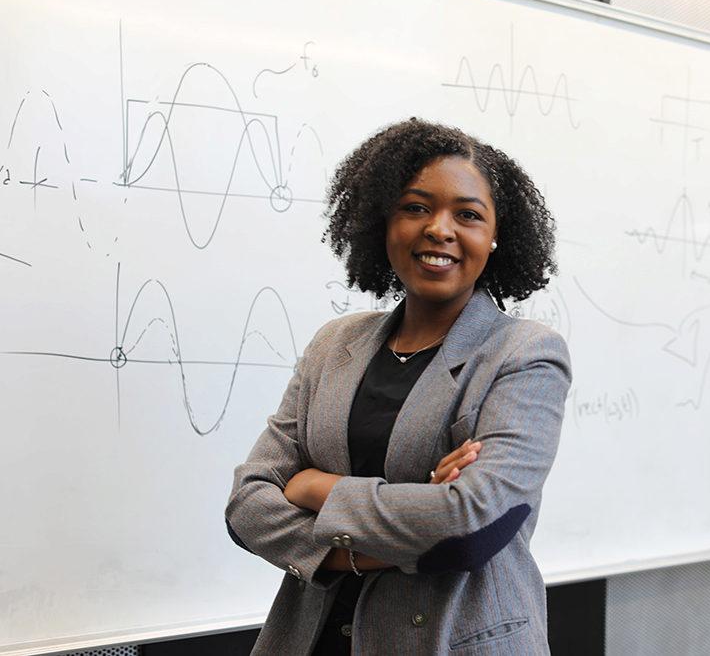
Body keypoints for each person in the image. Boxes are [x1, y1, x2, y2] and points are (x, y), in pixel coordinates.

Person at [225, 118, 571, 655]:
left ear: (496, 236)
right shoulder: (333, 344)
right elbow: (248, 505)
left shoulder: (525, 355)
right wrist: (386, 537)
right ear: (382, 222)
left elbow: (467, 525)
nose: (439, 228)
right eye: (415, 207)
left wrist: (315, 488)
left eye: (468, 214)